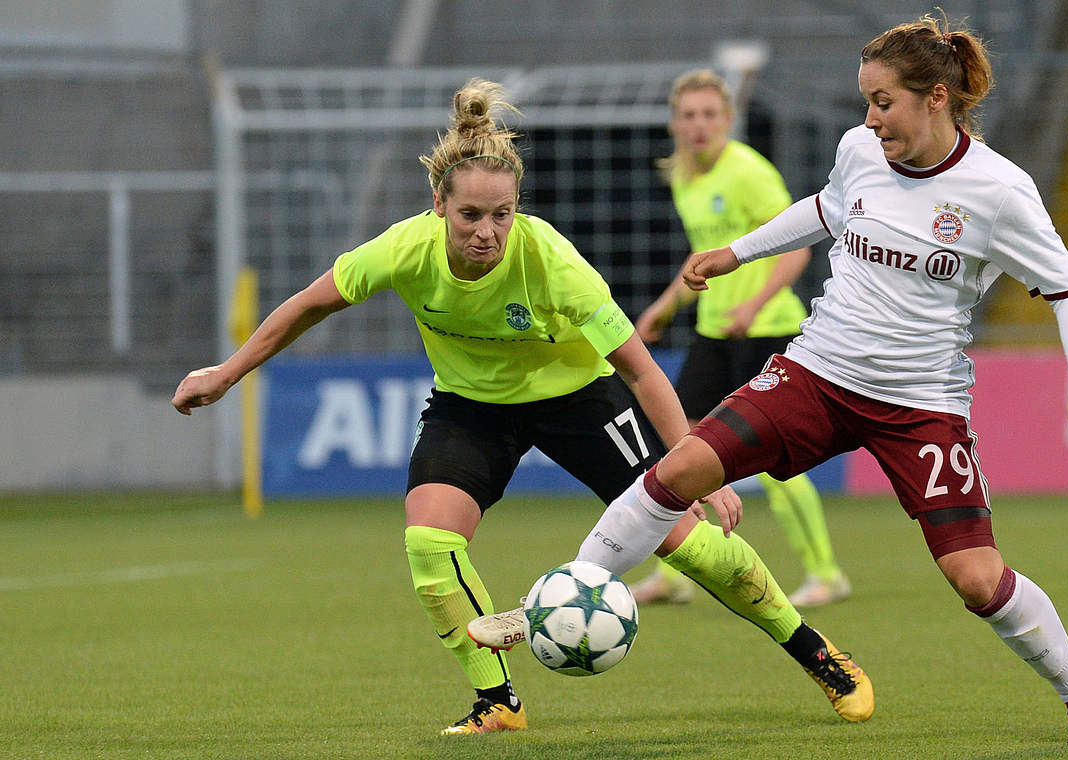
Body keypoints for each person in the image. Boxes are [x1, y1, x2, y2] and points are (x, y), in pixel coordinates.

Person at [473, 17, 1068, 745]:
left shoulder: (998, 190)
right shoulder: (859, 152)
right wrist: (736, 254)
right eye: (866, 102)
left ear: (936, 97)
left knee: (976, 579)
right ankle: (559, 598)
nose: (871, 120)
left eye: (884, 102)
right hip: (818, 372)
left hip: (920, 405)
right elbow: (826, 208)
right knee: (680, 466)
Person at [171, 78, 872, 737]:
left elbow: (639, 369)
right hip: (471, 408)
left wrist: (696, 469)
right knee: (428, 545)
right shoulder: (403, 250)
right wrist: (229, 372)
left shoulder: (552, 262)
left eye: (501, 214)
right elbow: (309, 305)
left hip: (578, 400)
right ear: (439, 206)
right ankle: (496, 701)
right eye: (470, 214)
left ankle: (814, 651)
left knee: (684, 539)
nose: (486, 231)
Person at [629, 69, 851, 608]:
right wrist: (659, 310)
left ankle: (826, 573)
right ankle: (678, 574)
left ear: (728, 120)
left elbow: (798, 246)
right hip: (714, 330)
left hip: (764, 328)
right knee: (678, 446)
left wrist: (752, 304)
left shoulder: (748, 172)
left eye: (710, 114)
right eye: (689, 115)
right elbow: (701, 254)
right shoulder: (684, 177)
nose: (699, 125)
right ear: (675, 124)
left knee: (768, 457)